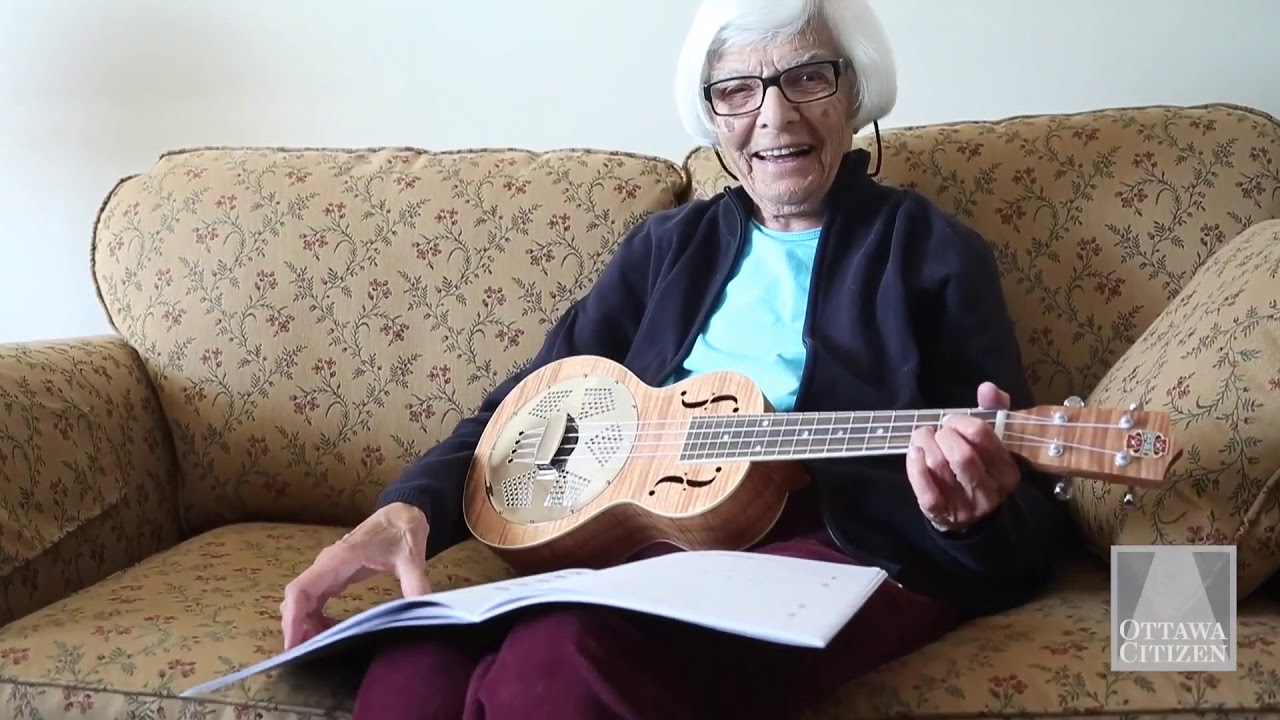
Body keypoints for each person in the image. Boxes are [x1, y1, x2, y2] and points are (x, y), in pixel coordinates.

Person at [280, 0, 1070, 717]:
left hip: (837, 542)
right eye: (738, 90)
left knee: (559, 664)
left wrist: (973, 518)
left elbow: (1021, 504)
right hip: (635, 532)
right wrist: (407, 509)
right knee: (412, 664)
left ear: (855, 92)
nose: (774, 115)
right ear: (711, 113)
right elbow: (522, 408)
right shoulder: (665, 247)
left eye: (808, 77)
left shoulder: (933, 251)